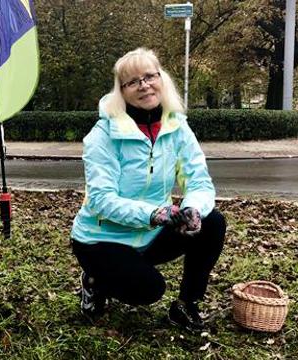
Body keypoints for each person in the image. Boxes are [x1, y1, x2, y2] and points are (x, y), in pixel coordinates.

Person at [70, 48, 227, 332]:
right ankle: (93, 280)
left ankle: (186, 305)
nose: (144, 85)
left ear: (161, 79)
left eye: (149, 76)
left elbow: (199, 180)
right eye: (132, 82)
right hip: (102, 239)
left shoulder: (177, 126)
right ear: (121, 91)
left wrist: (193, 208)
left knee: (212, 221)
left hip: (150, 233)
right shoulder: (103, 135)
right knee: (149, 290)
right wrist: (155, 214)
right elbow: (102, 200)